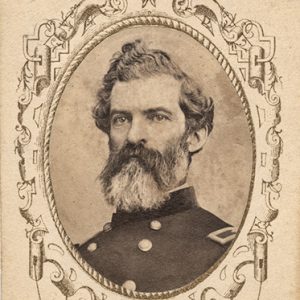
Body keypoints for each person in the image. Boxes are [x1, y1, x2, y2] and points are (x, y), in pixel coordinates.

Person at [77, 39, 236, 292]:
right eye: (121, 119)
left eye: (157, 117)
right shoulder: (81, 258)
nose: (133, 136)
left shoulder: (229, 254)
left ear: (194, 137)